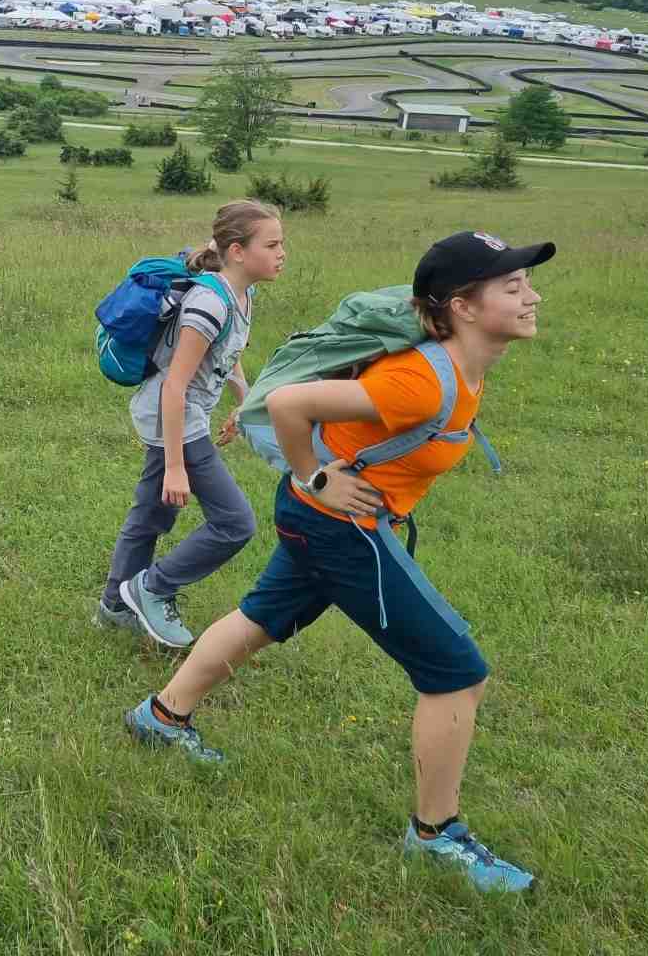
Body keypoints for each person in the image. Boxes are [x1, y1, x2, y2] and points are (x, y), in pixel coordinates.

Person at [123, 231, 555, 895]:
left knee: (262, 617)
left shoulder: (461, 366)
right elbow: (290, 405)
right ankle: (436, 836)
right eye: (513, 287)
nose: (532, 298)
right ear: (463, 307)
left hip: (316, 520)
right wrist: (316, 476)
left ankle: (162, 716)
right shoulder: (419, 381)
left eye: (527, 284)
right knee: (456, 673)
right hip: (338, 526)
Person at [96, 200, 285, 648]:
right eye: (272, 244)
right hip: (173, 415)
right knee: (235, 523)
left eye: (282, 244)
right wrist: (177, 466)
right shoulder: (209, 303)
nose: (282, 253)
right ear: (237, 251)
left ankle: (114, 606)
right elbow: (174, 386)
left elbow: (228, 354)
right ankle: (152, 588)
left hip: (181, 412)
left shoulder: (242, 294)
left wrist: (243, 402)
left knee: (152, 513)